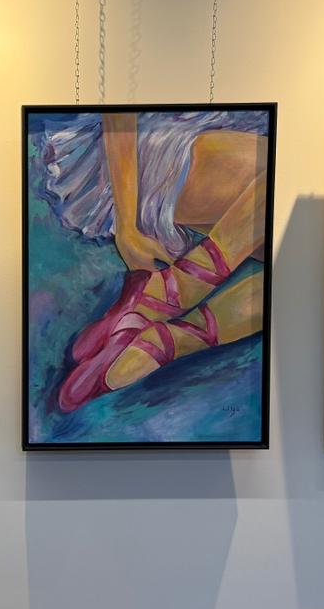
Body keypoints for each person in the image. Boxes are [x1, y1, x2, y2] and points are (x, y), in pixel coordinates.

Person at [36, 110, 270, 412]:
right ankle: (177, 304)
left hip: (228, 143)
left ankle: (164, 332)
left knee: (300, 249)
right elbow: (119, 107)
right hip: (138, 153)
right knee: (287, 174)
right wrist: (127, 227)